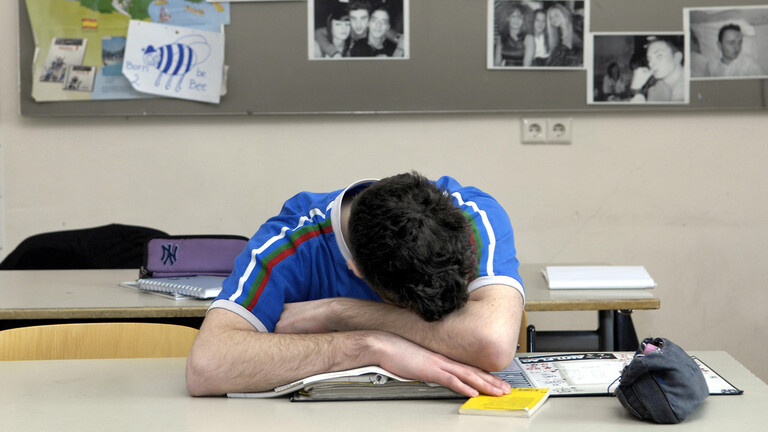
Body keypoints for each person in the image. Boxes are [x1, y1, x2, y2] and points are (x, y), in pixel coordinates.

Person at [186, 172, 525, 398]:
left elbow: (493, 344)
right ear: (355, 271)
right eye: (411, 308)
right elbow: (207, 366)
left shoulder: (471, 215)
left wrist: (342, 313)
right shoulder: (290, 241)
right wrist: (370, 345)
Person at [629, 37, 685, 103]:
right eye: (649, 59)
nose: (651, 64)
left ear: (677, 58)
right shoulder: (659, 86)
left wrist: (636, 89)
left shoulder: (686, 88)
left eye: (659, 56)